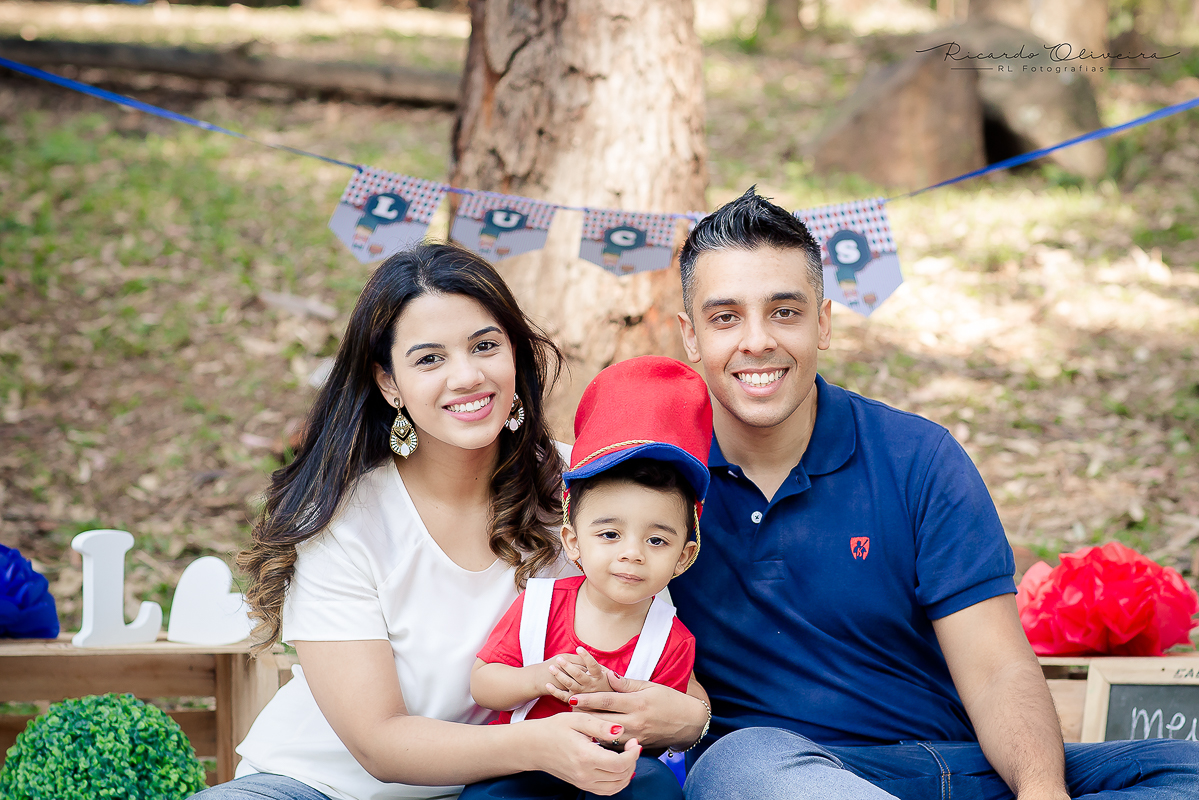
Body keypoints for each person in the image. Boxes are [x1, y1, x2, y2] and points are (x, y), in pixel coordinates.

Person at [667, 188, 1199, 800]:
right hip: (786, 776)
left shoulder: (916, 456)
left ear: (825, 321)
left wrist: (1041, 791)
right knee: (739, 760)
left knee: (1182, 767)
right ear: (690, 336)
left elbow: (998, 668)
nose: (756, 340)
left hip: (955, 767)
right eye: (725, 317)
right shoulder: (662, 475)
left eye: (785, 312)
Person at [192, 244, 706, 800]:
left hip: (508, 790)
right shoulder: (344, 520)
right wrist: (540, 744)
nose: (466, 376)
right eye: (429, 358)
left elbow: (667, 659)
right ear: (390, 383)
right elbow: (378, 744)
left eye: (485, 346)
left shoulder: (588, 491)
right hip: (319, 786)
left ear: (515, 357)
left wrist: (688, 722)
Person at [462, 356, 714, 800]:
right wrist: (540, 678)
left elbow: (665, 728)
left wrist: (611, 700)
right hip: (530, 766)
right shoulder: (542, 606)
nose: (631, 554)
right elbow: (485, 685)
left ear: (684, 556)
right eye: (611, 534)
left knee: (654, 786)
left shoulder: (670, 640)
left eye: (657, 541)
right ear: (573, 541)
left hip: (612, 777)